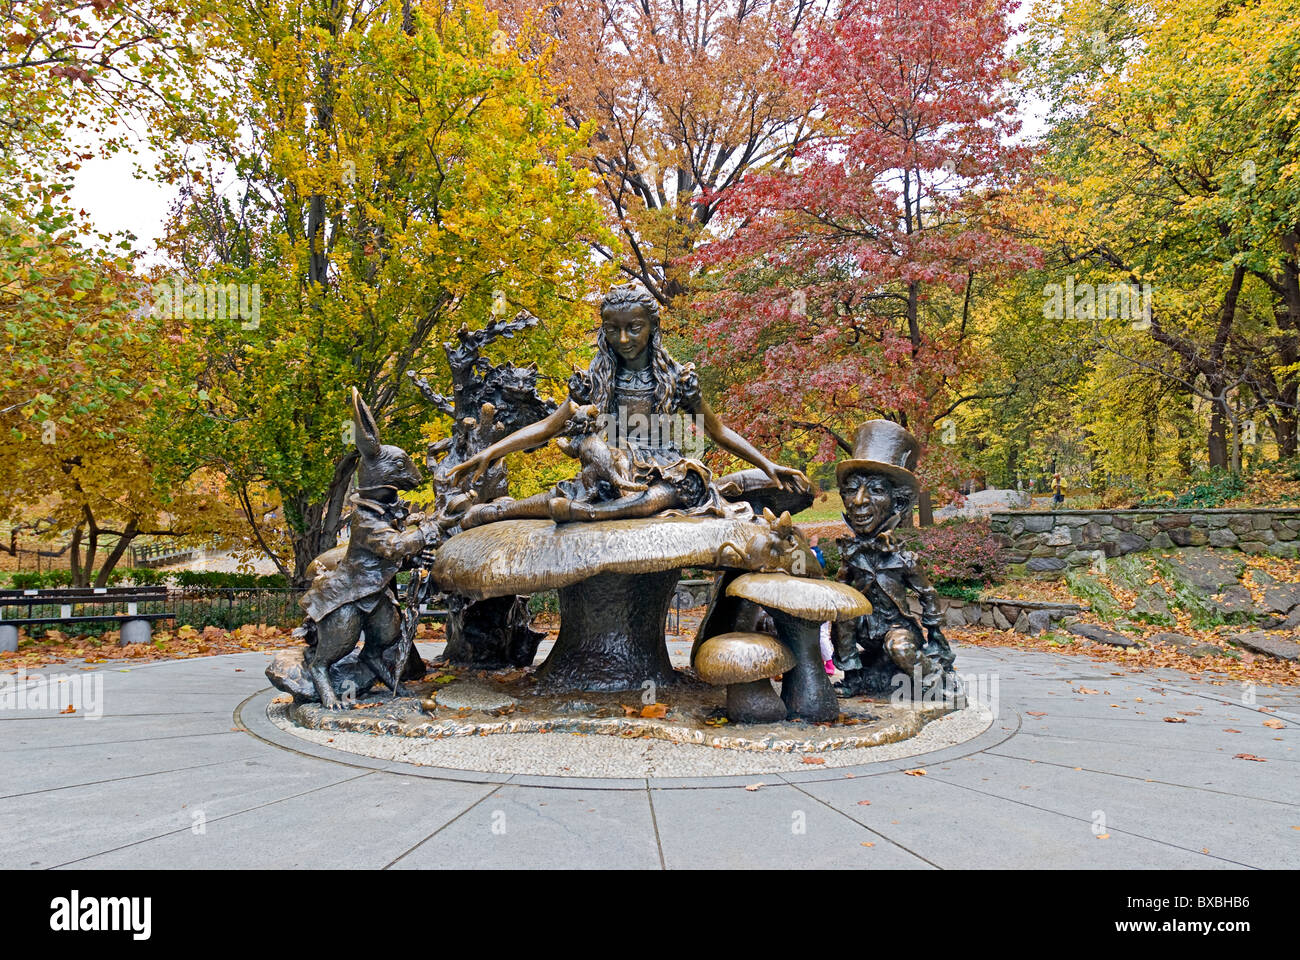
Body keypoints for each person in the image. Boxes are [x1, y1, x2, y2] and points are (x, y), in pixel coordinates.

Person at [449, 284, 809, 525]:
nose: (623, 339)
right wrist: (491, 452)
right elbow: (548, 428)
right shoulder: (596, 377)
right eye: (612, 329)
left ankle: (586, 514)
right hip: (613, 463)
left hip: (666, 468)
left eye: (634, 328)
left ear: (652, 327)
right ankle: (495, 512)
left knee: (655, 499)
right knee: (562, 493)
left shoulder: (678, 379)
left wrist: (767, 463)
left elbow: (716, 431)